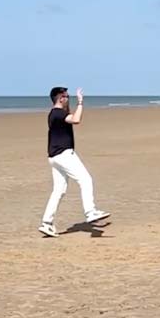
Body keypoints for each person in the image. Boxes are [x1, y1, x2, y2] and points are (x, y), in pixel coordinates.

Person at [39, 87, 110, 237]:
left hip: (54, 157)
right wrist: (80, 102)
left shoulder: (55, 114)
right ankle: (90, 212)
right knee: (85, 180)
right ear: (60, 98)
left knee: (59, 190)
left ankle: (46, 223)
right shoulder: (58, 113)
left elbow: (70, 116)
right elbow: (76, 119)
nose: (67, 98)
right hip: (64, 154)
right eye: (66, 96)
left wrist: (71, 104)